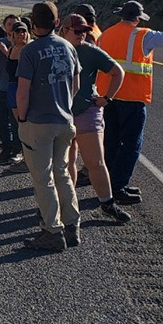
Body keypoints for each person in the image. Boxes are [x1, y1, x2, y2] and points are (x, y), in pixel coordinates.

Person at [95, 0, 163, 204]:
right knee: (131, 145)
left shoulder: (106, 34)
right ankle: (118, 187)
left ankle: (109, 185)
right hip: (131, 99)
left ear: (121, 15)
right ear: (138, 18)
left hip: (108, 97)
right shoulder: (142, 35)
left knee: (111, 142)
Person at [16, 2, 81, 252]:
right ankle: (72, 224)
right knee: (62, 172)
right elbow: (75, 85)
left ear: (33, 24)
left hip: (38, 122)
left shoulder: (30, 52)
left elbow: (23, 91)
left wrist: (22, 118)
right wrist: (65, 106)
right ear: (57, 23)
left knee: (43, 179)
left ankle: (52, 231)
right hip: (64, 120)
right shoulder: (68, 47)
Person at [58, 14, 129, 223]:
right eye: (77, 31)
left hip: (86, 112)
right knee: (66, 161)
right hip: (62, 114)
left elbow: (118, 72)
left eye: (84, 31)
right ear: (63, 30)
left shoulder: (90, 51)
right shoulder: (57, 50)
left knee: (95, 161)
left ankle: (107, 203)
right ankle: (67, 204)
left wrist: (107, 98)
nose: (82, 35)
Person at [0, 14, 20, 163]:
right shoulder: (0, 41)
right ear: (4, 26)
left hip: (16, 88)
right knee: (1, 120)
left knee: (15, 122)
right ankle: (6, 148)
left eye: (15, 24)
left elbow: (18, 63)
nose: (12, 27)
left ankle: (17, 149)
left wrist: (4, 51)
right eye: (9, 24)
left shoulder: (22, 45)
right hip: (1, 87)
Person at [5, 20, 31, 171]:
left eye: (24, 31)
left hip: (22, 88)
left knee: (25, 124)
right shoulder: (11, 49)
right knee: (20, 125)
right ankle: (25, 156)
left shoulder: (28, 50)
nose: (21, 34)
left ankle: (29, 158)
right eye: (18, 32)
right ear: (13, 35)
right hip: (11, 88)